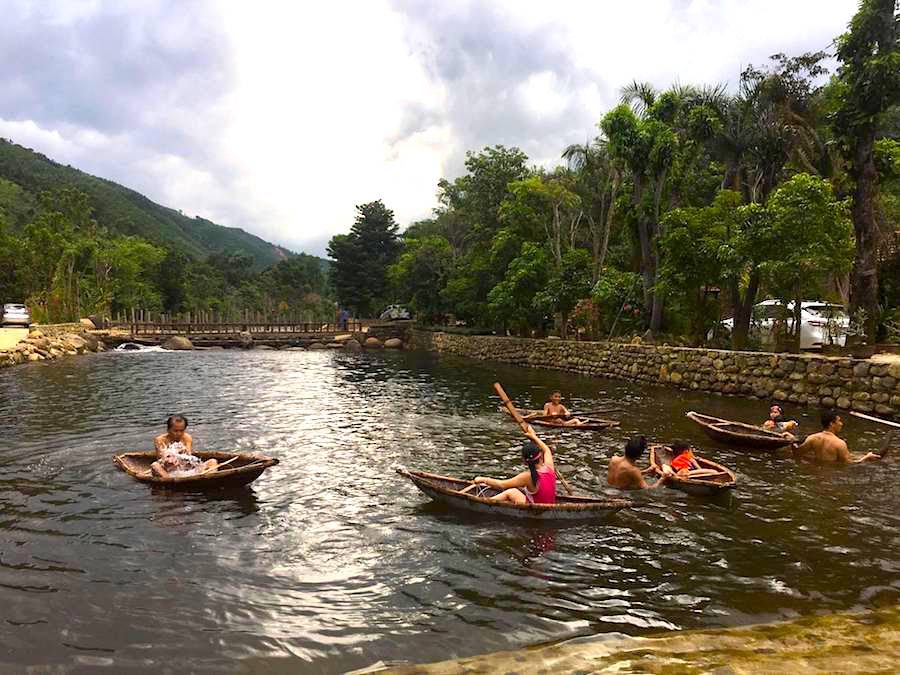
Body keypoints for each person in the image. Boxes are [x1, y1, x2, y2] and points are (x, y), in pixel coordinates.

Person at [473, 424, 557, 504]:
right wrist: (534, 437)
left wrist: (483, 479)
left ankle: (484, 502)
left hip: (536, 509)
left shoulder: (527, 476)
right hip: (548, 504)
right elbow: (546, 449)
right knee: (518, 487)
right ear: (540, 456)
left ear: (524, 462)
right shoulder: (549, 467)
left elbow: (501, 485)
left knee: (511, 492)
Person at [792, 409, 885, 463]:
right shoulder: (839, 444)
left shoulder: (812, 438)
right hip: (832, 476)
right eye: (839, 421)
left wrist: (792, 441)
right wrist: (866, 458)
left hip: (816, 474)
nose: (841, 424)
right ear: (832, 424)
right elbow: (849, 464)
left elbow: (797, 453)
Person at [150, 415, 218, 478]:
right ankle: (169, 481)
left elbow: (188, 456)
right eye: (175, 431)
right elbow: (160, 458)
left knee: (213, 461)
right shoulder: (160, 440)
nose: (179, 434)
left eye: (181, 431)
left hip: (185, 470)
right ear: (168, 429)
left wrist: (181, 454)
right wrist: (169, 459)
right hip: (168, 471)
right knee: (155, 465)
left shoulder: (187, 437)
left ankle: (209, 478)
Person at [607, 435, 671, 490]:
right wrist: (662, 478)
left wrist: (646, 471)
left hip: (608, 489)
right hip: (620, 495)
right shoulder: (633, 470)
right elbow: (648, 489)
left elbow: (624, 475)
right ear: (640, 454)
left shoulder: (613, 459)